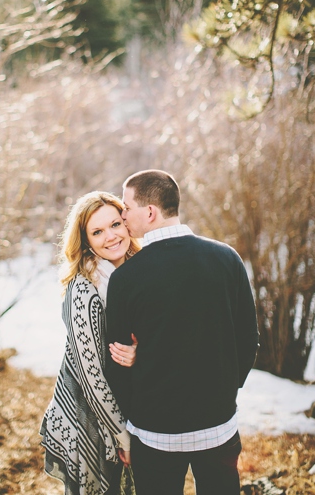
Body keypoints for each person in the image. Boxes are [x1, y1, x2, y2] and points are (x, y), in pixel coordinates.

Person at [105, 169, 259, 495]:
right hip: (218, 426)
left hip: (154, 434)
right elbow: (248, 340)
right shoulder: (227, 258)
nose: (122, 214)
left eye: (126, 207)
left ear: (150, 212)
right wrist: (225, 388)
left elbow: (117, 363)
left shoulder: (126, 278)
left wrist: (127, 424)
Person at [40, 191, 142, 495]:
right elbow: (90, 375)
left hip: (136, 411)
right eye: (97, 232)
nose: (110, 237)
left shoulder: (140, 270)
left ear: (127, 225)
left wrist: (142, 353)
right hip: (94, 421)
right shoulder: (85, 289)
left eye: (115, 225)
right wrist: (120, 435)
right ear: (85, 241)